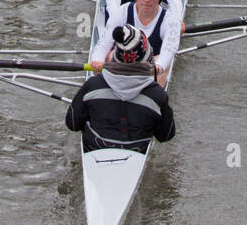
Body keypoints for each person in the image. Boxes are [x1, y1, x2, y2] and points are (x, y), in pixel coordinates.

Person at [67, 25, 175, 153]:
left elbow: (72, 124)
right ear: (147, 57)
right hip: (137, 151)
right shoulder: (157, 95)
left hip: (96, 147)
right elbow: (166, 135)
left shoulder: (92, 86)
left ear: (115, 56)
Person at [92, 0, 181, 87]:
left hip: (150, 68)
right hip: (124, 61)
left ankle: (151, 99)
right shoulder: (122, 11)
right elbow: (104, 42)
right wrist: (97, 60)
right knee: (108, 56)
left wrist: (160, 65)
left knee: (164, 66)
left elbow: (169, 49)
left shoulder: (170, 20)